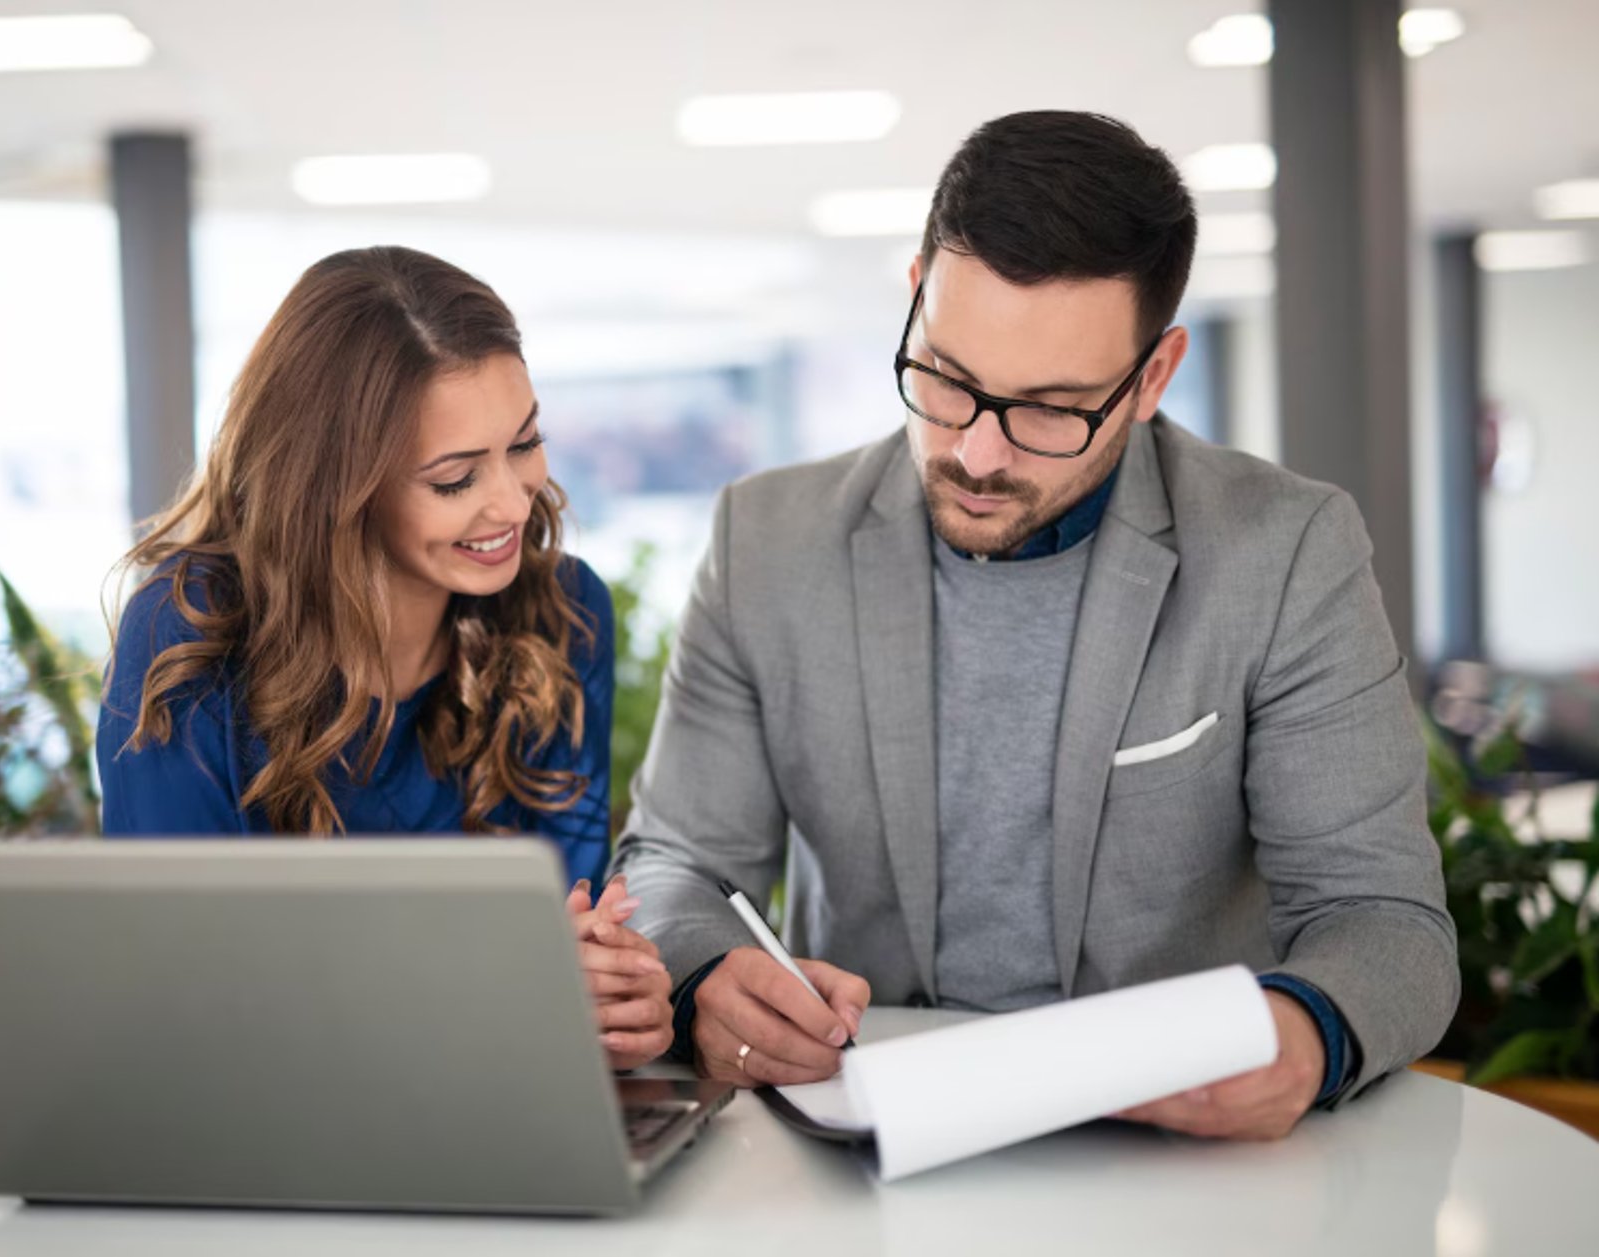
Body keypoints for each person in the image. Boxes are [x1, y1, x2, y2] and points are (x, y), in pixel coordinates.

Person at [612, 111, 1458, 1138]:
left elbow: (1384, 919)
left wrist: (1301, 1033)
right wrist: (704, 975)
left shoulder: (1285, 552)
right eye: (947, 380)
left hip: (1171, 1153)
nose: (976, 455)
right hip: (865, 1132)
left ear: (1152, 377)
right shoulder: (766, 541)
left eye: (1051, 409)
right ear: (916, 294)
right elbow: (675, 864)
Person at [98, 245, 671, 1070]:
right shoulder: (189, 634)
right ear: (337, 486)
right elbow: (188, 989)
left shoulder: (564, 614)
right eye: (454, 478)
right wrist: (505, 989)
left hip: (496, 1092)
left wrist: (613, 997)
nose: (512, 503)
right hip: (272, 1114)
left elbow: (560, 934)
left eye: (525, 442)